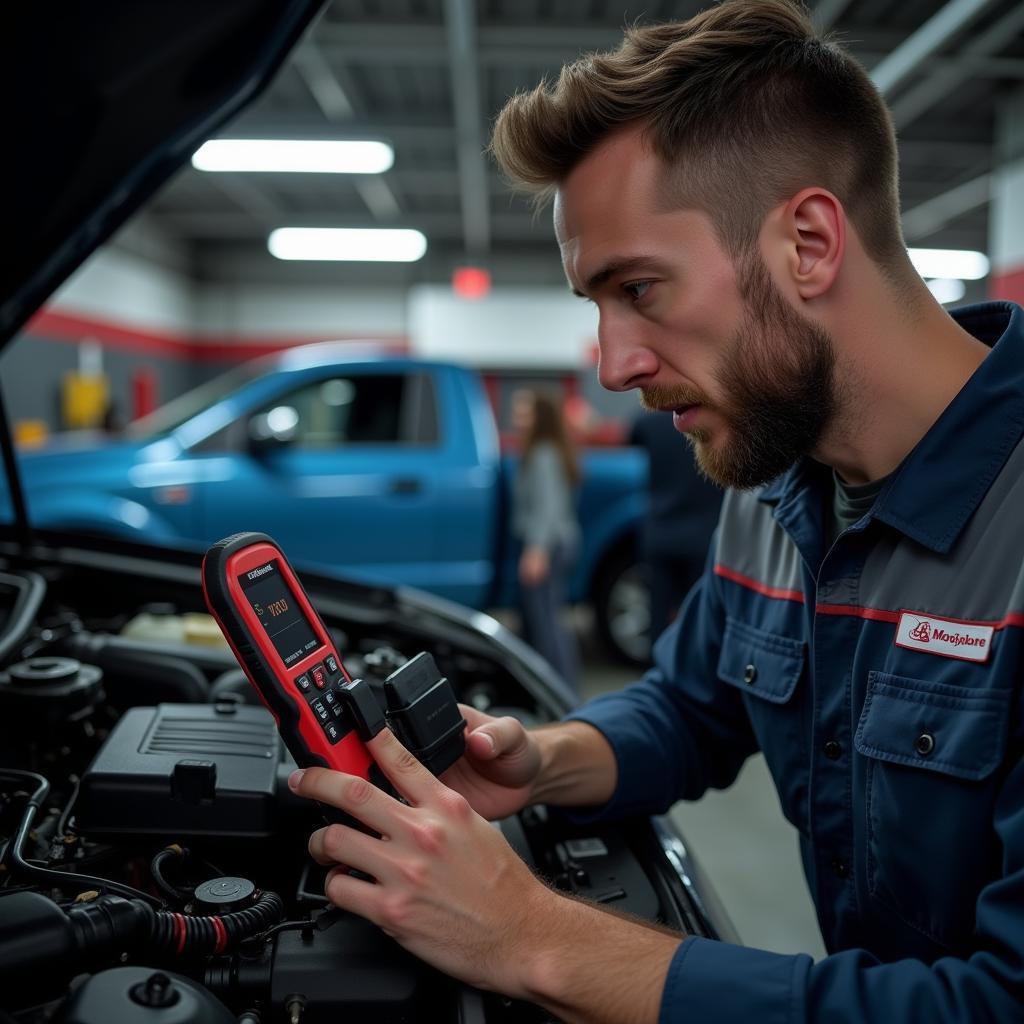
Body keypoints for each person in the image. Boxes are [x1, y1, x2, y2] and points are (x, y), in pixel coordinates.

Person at [286, 2, 1024, 1020]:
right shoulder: (775, 491)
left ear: (807, 243)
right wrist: (540, 761)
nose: (613, 364)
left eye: (639, 289)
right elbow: (689, 706)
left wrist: (535, 937)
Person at [510, 388, 582, 691]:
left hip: (548, 547)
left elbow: (547, 507)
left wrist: (537, 551)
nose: (516, 418)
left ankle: (563, 693)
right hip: (554, 544)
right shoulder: (546, 450)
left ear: (541, 417)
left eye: (524, 412)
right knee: (541, 622)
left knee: (548, 625)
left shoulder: (542, 454)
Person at [629, 409, 723, 639]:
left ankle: (659, 666)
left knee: (657, 614)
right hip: (703, 536)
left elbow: (629, 438)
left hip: (661, 533)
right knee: (701, 616)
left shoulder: (647, 423)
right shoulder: (714, 421)